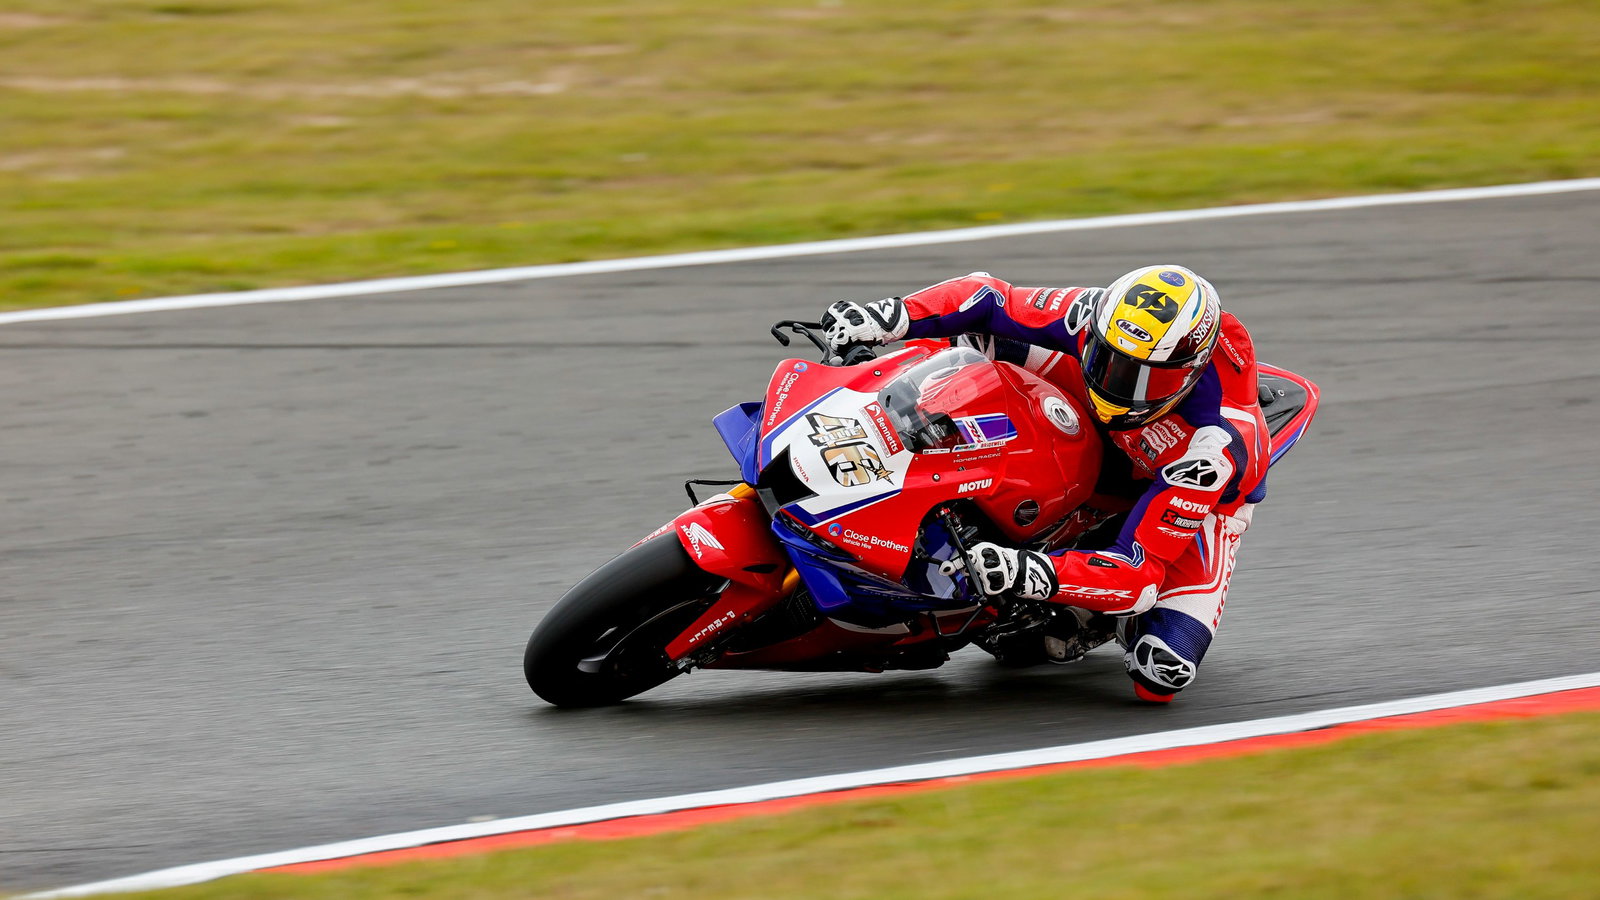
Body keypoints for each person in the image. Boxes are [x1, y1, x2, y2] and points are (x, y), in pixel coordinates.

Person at [818, 265, 1267, 702]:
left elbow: (1138, 574)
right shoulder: (1096, 316)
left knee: (1162, 671)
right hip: (1092, 410)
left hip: (1189, 490)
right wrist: (888, 317)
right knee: (975, 340)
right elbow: (989, 297)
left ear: (1187, 375)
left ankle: (1090, 613)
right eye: (1108, 361)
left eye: (1144, 378)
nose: (1118, 383)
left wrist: (1030, 572)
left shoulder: (1213, 450)